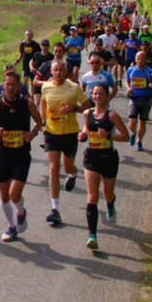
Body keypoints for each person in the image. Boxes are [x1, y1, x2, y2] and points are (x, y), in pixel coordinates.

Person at [0, 70, 44, 242]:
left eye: (13, 84)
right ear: (3, 85)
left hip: (22, 153)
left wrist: (32, 133)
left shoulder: (27, 103)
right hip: (3, 154)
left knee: (14, 194)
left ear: (19, 86)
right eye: (7, 84)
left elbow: (39, 122)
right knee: (4, 195)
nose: (10, 87)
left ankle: (21, 211)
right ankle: (11, 226)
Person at [39, 60, 92, 225]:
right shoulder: (46, 87)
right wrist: (42, 120)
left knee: (68, 166)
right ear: (51, 71)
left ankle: (73, 174)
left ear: (66, 72)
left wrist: (74, 109)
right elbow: (43, 102)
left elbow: (88, 106)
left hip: (69, 133)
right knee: (54, 168)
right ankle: (55, 209)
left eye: (61, 70)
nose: (58, 73)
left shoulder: (74, 87)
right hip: (51, 132)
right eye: (55, 70)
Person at [78, 84, 130, 250]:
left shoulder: (112, 115)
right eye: (95, 94)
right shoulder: (87, 113)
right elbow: (86, 127)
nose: (98, 97)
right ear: (91, 96)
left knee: (107, 193)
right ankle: (92, 235)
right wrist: (83, 134)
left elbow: (126, 136)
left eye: (101, 94)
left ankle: (110, 204)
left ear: (107, 96)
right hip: (92, 157)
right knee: (92, 197)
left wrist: (108, 135)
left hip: (108, 157)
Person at [124, 50, 152, 151]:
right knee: (132, 121)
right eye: (138, 59)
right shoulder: (131, 70)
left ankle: (139, 141)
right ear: (135, 59)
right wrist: (128, 88)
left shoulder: (149, 72)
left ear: (146, 60)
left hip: (146, 99)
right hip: (134, 98)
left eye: (142, 59)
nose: (140, 61)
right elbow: (127, 80)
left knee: (142, 122)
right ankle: (133, 133)